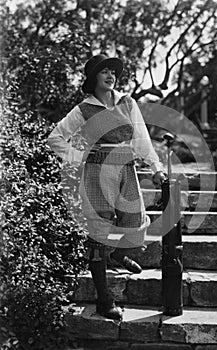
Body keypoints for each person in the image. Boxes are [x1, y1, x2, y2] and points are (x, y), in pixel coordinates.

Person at [47, 54, 166, 320]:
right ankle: (104, 299)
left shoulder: (127, 102)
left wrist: (156, 167)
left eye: (113, 72)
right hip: (96, 173)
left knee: (135, 221)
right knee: (98, 233)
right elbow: (55, 138)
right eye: (104, 72)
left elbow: (142, 139)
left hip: (126, 168)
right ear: (93, 78)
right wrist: (80, 158)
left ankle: (118, 253)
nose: (111, 76)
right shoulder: (83, 109)